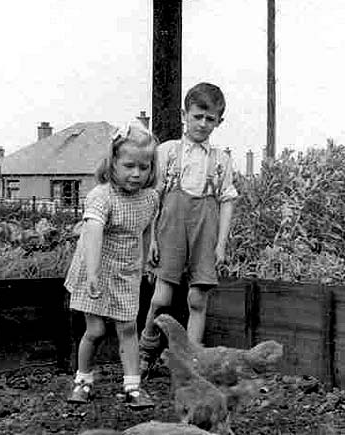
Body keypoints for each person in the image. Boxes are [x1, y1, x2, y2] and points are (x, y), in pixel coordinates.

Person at [139, 82, 238, 376]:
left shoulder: (221, 160)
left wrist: (221, 245)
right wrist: (153, 239)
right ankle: (146, 348)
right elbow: (154, 198)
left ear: (219, 121)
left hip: (205, 229)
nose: (203, 124)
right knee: (161, 298)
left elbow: (227, 202)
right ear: (185, 114)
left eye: (210, 119)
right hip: (171, 227)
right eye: (197, 116)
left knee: (197, 299)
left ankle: (190, 363)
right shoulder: (168, 152)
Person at [65, 121, 159, 409]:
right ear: (113, 163)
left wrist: (148, 254)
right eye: (129, 165)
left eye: (143, 167)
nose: (136, 173)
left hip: (126, 272)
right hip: (94, 270)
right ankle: (83, 380)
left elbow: (145, 228)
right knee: (95, 331)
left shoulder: (150, 198)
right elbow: (92, 233)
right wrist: (92, 273)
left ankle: (133, 386)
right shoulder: (102, 197)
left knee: (128, 328)